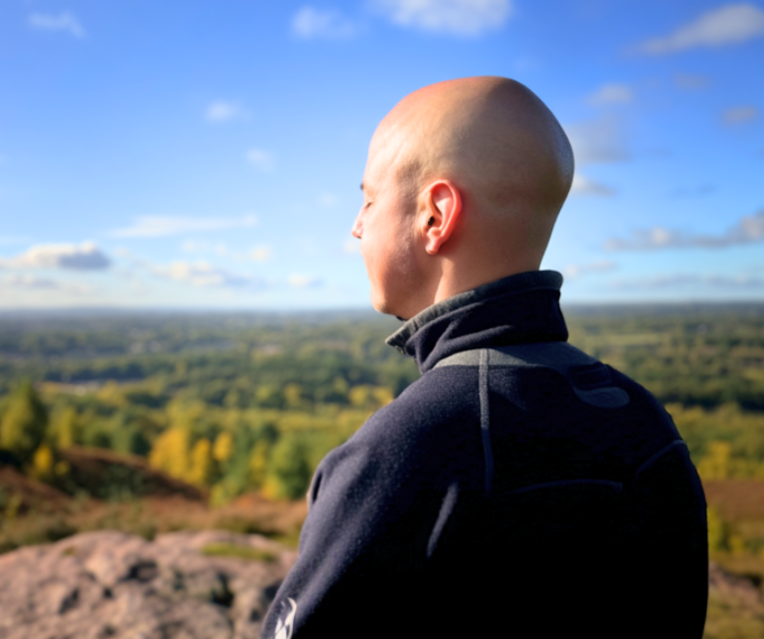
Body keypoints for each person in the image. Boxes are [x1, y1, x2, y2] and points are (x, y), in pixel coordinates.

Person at [260, 77, 708, 638]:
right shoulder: (644, 423)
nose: (356, 225)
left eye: (369, 199)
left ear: (435, 216)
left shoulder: (406, 453)